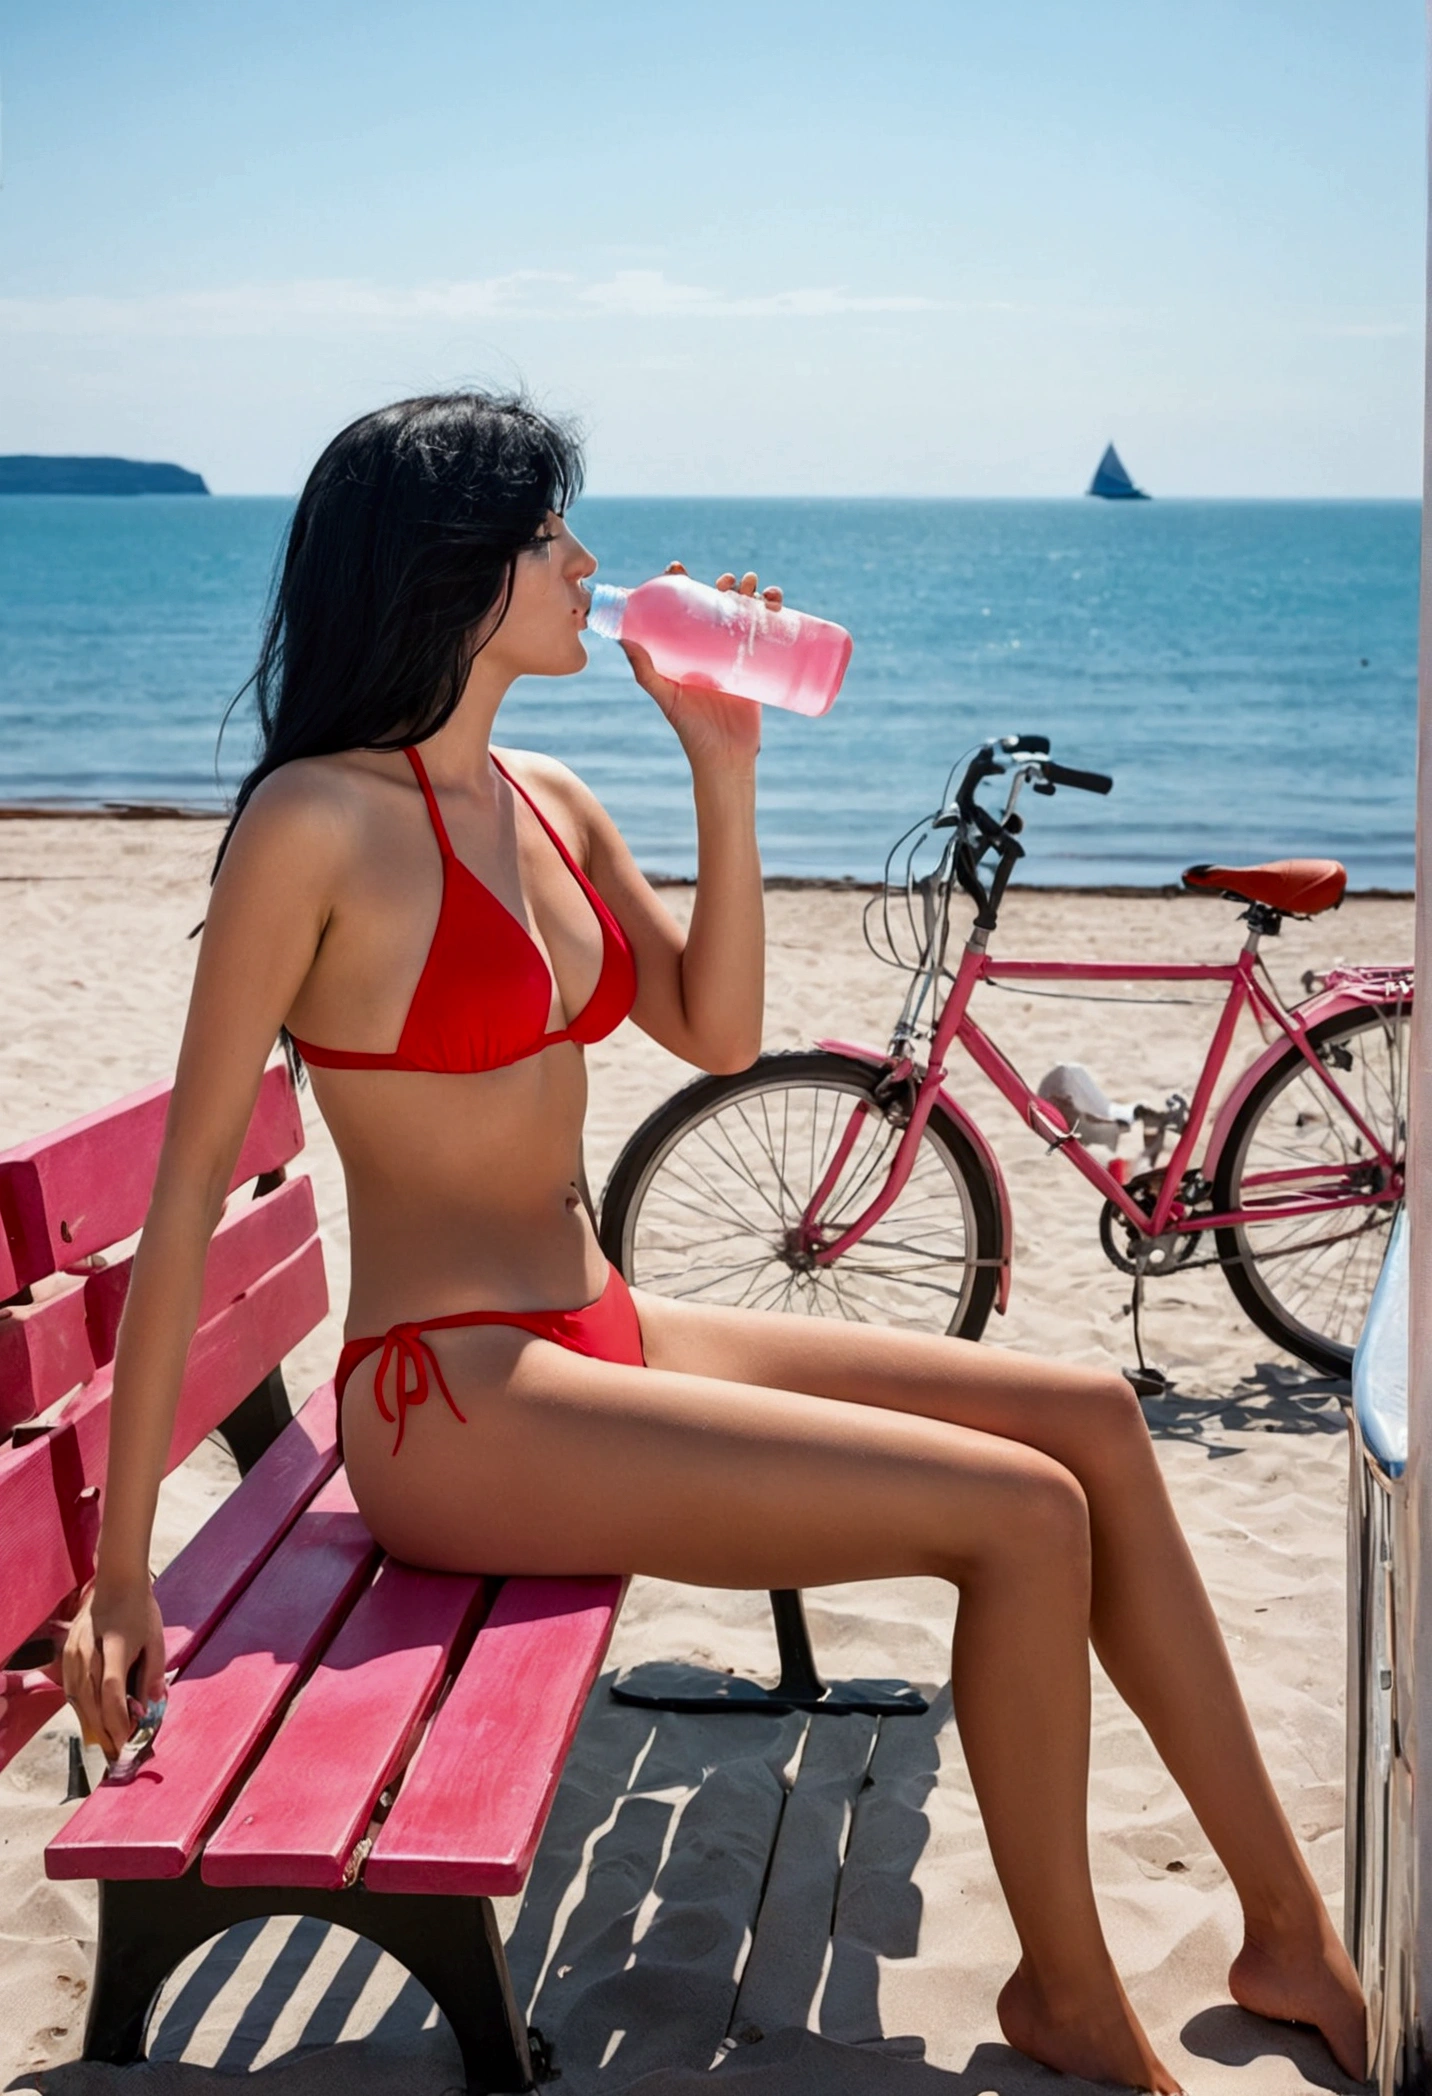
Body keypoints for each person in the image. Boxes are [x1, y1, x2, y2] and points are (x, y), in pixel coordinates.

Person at [64, 391, 1366, 2093]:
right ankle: (1066, 1995)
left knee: (1090, 1425)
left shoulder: (541, 792)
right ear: (448, 569)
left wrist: (721, 765)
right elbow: (184, 1197)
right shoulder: (314, 822)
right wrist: (120, 1566)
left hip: (592, 1328)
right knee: (1022, 1519)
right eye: (548, 535)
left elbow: (718, 1031)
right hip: (445, 1404)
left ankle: (1286, 1930)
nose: (586, 564)